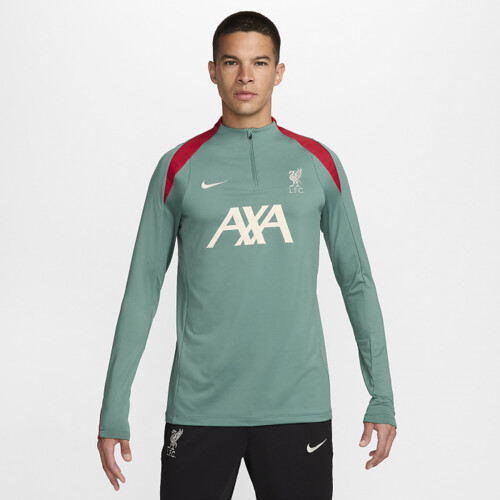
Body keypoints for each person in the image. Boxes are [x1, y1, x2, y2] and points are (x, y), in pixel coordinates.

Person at [97, 10, 397, 499]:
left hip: (297, 407)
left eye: (259, 63)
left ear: (278, 72)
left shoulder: (316, 163)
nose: (245, 76)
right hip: (199, 409)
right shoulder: (178, 167)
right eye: (231, 62)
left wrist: (381, 395)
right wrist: (114, 408)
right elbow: (142, 289)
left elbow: (356, 280)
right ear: (212, 70)